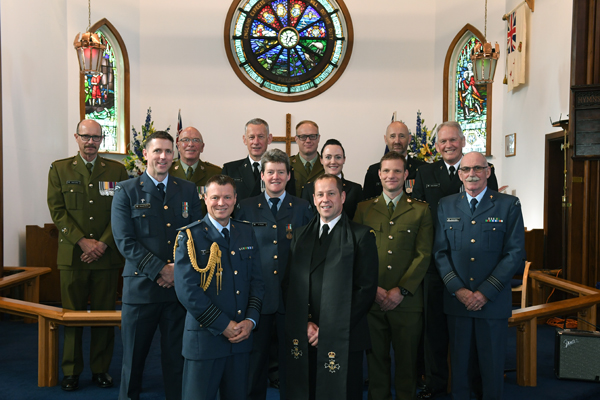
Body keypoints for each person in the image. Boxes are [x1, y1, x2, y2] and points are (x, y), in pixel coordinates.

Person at [111, 130, 203, 400]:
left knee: (177, 362)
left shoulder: (186, 189)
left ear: (173, 155)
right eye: (157, 151)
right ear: (145, 155)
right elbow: (124, 241)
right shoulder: (126, 191)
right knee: (133, 362)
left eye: (167, 151)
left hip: (178, 292)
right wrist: (162, 270)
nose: (163, 157)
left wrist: (177, 270)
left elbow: (197, 234)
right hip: (141, 291)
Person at [411, 121, 499, 399]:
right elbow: (420, 217)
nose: (448, 145)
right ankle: (435, 382)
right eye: (442, 141)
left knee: (471, 331)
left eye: (453, 140)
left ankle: (473, 382)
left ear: (462, 141)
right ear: (435, 146)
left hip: (473, 265)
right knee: (434, 328)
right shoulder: (425, 173)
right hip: (437, 265)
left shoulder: (481, 170)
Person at [433, 151, 525, 400]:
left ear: (488, 171)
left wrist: (485, 292)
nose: (471, 174)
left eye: (477, 168)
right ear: (460, 174)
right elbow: (440, 253)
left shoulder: (508, 205)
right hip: (458, 301)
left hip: (492, 303)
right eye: (466, 169)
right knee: (460, 368)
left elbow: (514, 253)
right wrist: (459, 290)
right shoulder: (446, 205)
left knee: (492, 368)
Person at [47, 119, 129, 391]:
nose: (91, 142)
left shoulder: (117, 171)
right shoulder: (59, 169)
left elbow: (121, 212)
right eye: (86, 137)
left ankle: (100, 370)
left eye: (96, 137)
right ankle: (70, 371)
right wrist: (82, 241)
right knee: (72, 316)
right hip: (73, 256)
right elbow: (58, 211)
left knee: (104, 317)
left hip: (106, 257)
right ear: (76, 137)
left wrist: (102, 244)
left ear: (101, 140)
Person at [283, 174, 378, 400]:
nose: (325, 199)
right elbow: (289, 284)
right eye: (320, 194)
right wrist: (305, 323)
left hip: (344, 335)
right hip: (306, 334)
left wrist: (329, 328)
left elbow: (365, 290)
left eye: (331, 193)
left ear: (343, 197)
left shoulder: (361, 236)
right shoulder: (299, 236)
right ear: (314, 200)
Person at [173, 174, 265, 400]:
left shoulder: (246, 231)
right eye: (215, 197)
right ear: (205, 198)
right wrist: (223, 324)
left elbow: (257, 282)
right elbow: (188, 292)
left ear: (235, 199)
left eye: (227, 197)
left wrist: (250, 321)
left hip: (240, 340)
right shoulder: (190, 236)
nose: (221, 203)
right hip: (205, 341)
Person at [354, 151, 433, 400]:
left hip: (407, 302)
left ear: (406, 175)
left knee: (407, 363)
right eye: (386, 171)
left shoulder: (420, 211)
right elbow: (356, 254)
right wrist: (373, 289)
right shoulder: (364, 209)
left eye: (397, 171)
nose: (391, 176)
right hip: (372, 300)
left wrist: (402, 290)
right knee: (376, 362)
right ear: (379, 174)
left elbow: (423, 255)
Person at [236, 149, 313, 400]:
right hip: (257, 298)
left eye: (281, 172)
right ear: (262, 175)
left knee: (291, 360)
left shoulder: (302, 207)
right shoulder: (246, 207)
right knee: (254, 362)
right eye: (270, 172)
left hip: (292, 298)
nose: (276, 177)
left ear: (289, 176)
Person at [302, 139, 363, 220]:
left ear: (344, 159)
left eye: (338, 157)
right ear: (321, 160)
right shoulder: (309, 189)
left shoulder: (355, 189)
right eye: (328, 157)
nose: (333, 161)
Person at [362, 121, 424, 199]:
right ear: (386, 139)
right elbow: (367, 205)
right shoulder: (373, 171)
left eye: (402, 136)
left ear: (409, 139)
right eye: (392, 136)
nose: (397, 141)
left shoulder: (423, 169)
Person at [222, 118, 273, 202]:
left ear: (269, 138)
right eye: (251, 137)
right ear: (245, 140)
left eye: (260, 137)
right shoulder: (230, 170)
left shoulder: (281, 170)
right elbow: (224, 201)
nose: (256, 142)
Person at [290, 120, 324, 197]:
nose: (308, 141)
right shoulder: (287, 165)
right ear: (296, 139)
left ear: (318, 138)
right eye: (303, 137)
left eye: (312, 136)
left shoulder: (328, 165)